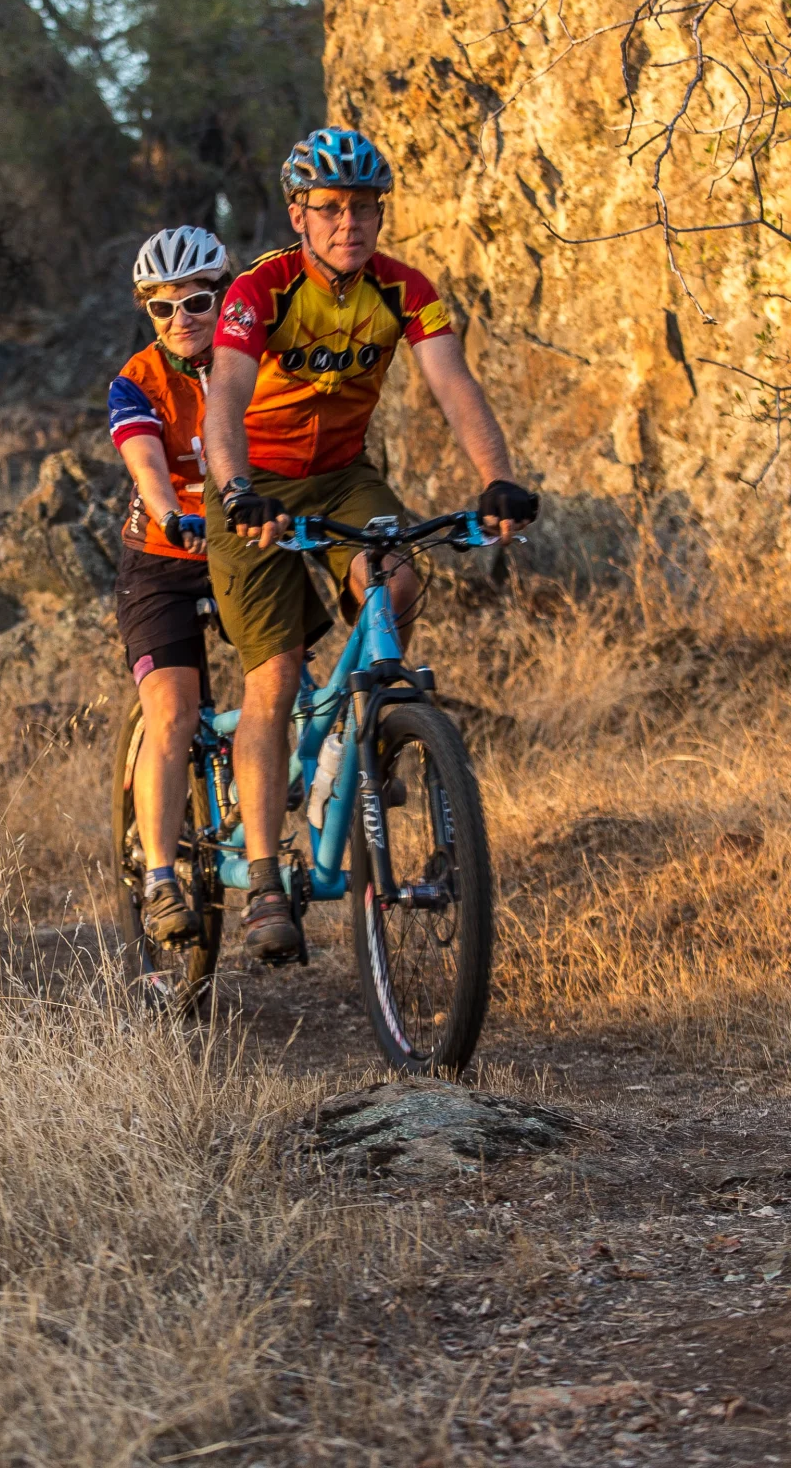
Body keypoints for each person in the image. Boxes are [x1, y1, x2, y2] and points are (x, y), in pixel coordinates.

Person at [203, 128, 539, 961]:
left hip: (345, 473)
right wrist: (238, 489)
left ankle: (374, 725)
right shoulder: (262, 290)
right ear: (299, 214)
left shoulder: (406, 289)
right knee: (274, 675)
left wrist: (497, 478)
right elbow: (225, 400)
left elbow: (452, 383)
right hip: (257, 486)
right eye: (332, 208)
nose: (350, 222)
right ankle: (265, 884)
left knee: (396, 580)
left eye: (365, 207)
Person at [108, 224, 229, 947]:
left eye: (198, 301)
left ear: (225, 296)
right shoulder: (136, 380)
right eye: (162, 308)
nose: (181, 319)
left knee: (293, 672)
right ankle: (158, 877)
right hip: (161, 556)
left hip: (244, 549)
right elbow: (148, 467)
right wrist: (174, 516)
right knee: (174, 711)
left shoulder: (255, 362)